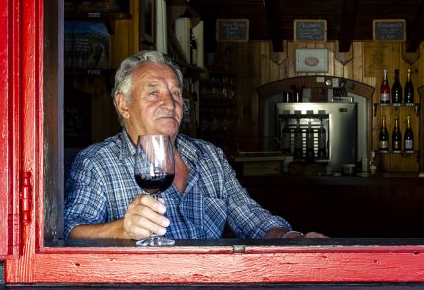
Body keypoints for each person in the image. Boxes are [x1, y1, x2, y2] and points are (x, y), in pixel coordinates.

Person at [64, 50, 325, 242]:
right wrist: (123, 229)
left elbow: (250, 218)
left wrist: (291, 237)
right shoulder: (97, 162)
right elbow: (71, 231)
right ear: (123, 105)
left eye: (176, 93)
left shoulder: (209, 155)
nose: (170, 103)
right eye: (153, 92)